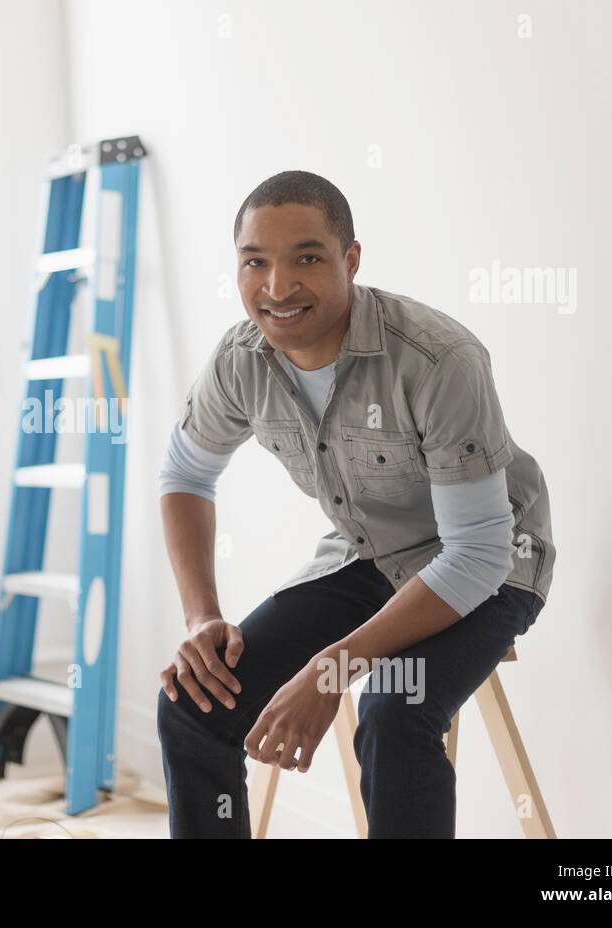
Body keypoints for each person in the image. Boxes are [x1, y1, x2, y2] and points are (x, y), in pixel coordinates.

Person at [156, 170, 555, 838]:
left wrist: (331, 667)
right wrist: (202, 616)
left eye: (307, 258)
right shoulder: (240, 360)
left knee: (394, 710)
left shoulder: (438, 359)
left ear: (351, 259)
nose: (277, 287)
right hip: (368, 555)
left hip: (490, 566)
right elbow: (185, 474)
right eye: (255, 262)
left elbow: (477, 553)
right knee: (194, 701)